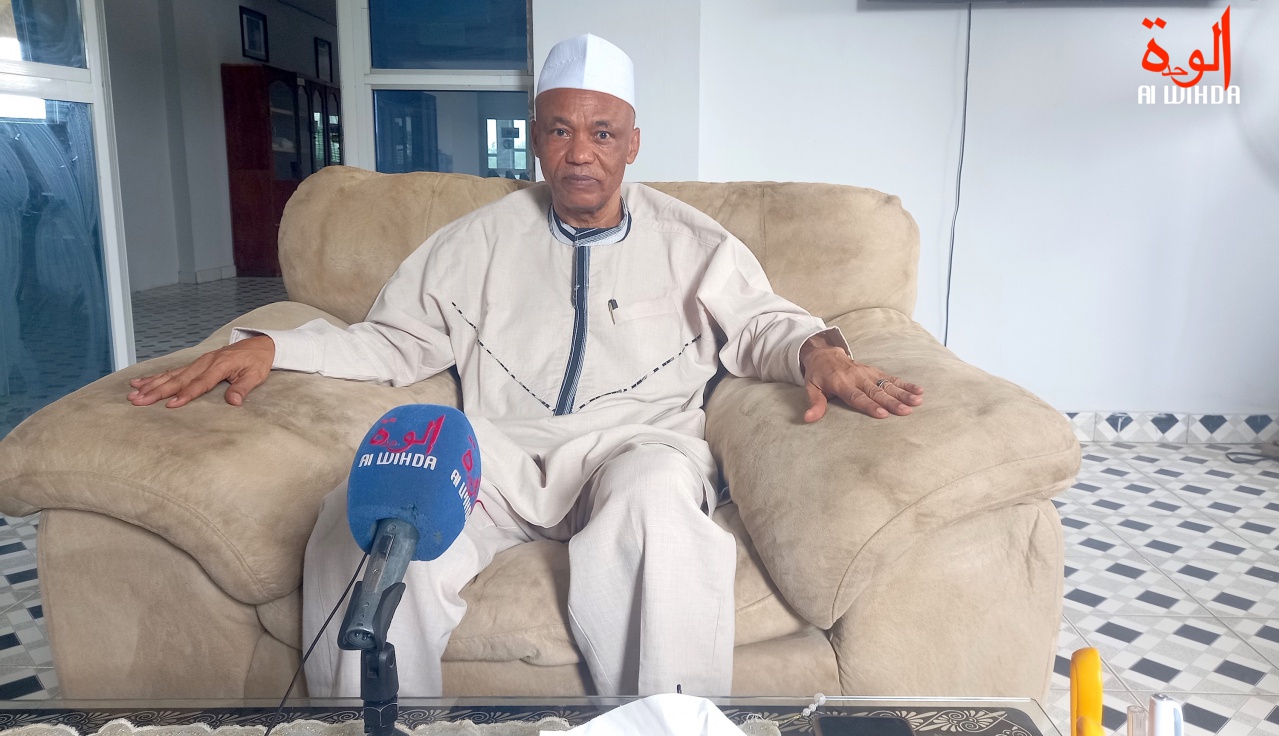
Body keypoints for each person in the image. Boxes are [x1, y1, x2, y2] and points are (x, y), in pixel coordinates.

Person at [126, 34, 923, 697]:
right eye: (560, 131)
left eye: (602, 134)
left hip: (638, 447)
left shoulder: (695, 241)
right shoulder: (475, 241)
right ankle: (369, 722)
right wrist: (275, 345)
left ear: (632, 143)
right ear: (535, 136)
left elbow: (763, 323)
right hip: (499, 453)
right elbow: (392, 341)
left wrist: (818, 352)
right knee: (366, 513)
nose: (580, 155)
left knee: (658, 505)